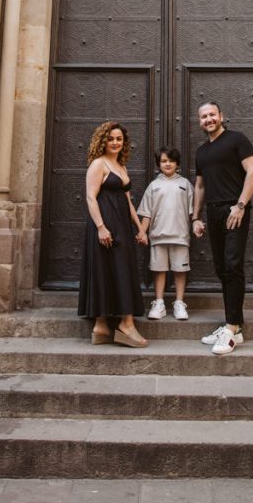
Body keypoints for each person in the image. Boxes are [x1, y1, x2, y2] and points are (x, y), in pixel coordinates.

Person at [192, 102, 253, 355]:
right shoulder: (201, 151)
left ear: (221, 116)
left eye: (212, 114)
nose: (208, 119)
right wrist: (195, 217)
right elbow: (200, 186)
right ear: (199, 121)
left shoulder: (237, 140)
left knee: (232, 264)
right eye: (203, 117)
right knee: (222, 268)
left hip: (235, 211)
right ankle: (235, 326)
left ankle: (231, 328)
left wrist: (240, 206)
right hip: (213, 211)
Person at [77, 121, 149, 348]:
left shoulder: (121, 166)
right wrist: (100, 227)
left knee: (120, 268)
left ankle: (104, 327)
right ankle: (119, 325)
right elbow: (90, 197)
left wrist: (139, 228)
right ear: (103, 141)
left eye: (119, 139)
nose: (116, 142)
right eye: (111, 139)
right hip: (105, 224)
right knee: (104, 268)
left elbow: (127, 201)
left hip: (121, 226)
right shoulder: (98, 164)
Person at [137, 146, 194, 321]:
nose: (167, 164)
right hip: (158, 236)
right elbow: (147, 212)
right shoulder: (154, 186)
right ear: (158, 164)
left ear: (177, 163)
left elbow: (193, 211)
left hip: (180, 236)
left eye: (171, 160)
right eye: (163, 161)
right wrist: (142, 231)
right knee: (159, 269)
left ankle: (179, 303)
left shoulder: (185, 184)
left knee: (179, 270)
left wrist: (196, 224)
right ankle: (159, 302)